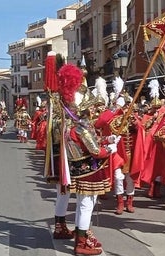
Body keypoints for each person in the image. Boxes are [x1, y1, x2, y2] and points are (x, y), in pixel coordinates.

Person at [57, 63, 118, 255]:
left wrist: (107, 139)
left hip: (79, 169)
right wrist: (110, 149)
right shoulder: (81, 128)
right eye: (89, 110)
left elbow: (94, 140)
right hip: (88, 171)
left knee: (84, 205)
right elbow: (95, 150)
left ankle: (80, 236)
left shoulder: (72, 126)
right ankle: (81, 243)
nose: (92, 112)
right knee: (86, 205)